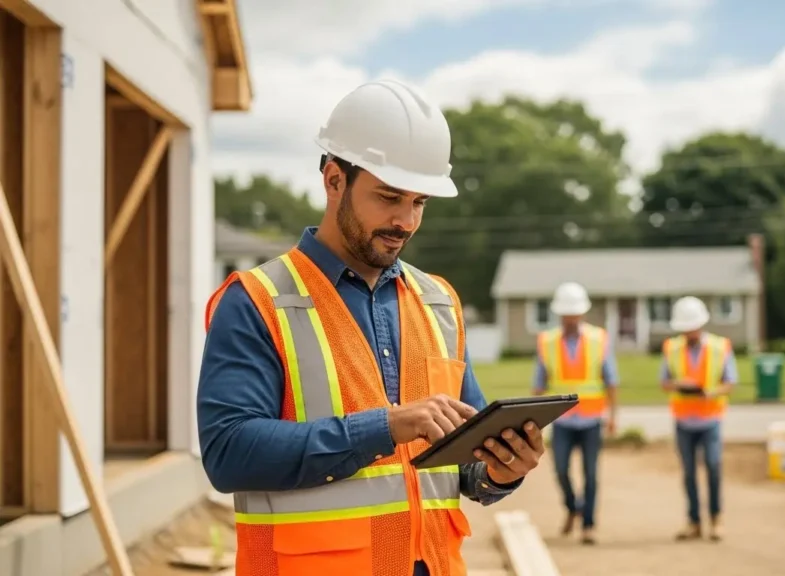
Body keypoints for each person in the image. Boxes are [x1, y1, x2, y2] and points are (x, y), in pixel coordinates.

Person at [197, 79, 546, 576]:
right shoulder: (258, 300)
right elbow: (228, 453)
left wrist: (498, 471)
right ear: (334, 179)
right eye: (389, 197)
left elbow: (461, 462)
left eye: (419, 203)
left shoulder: (438, 302)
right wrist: (385, 427)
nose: (405, 220)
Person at [533, 282, 618, 545]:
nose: (570, 318)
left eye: (574, 313)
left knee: (591, 475)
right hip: (563, 422)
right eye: (566, 314)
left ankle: (588, 525)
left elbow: (611, 381)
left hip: (592, 420)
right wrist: (532, 421)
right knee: (560, 470)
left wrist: (613, 417)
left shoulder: (599, 339)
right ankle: (573, 508)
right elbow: (539, 384)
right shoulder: (547, 342)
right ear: (560, 315)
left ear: (582, 313)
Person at [659, 296, 737, 542]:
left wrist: (711, 392)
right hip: (684, 421)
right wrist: (679, 385)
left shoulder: (720, 347)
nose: (688, 332)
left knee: (713, 467)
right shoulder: (671, 348)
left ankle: (716, 518)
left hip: (710, 419)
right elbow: (664, 382)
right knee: (689, 473)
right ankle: (694, 522)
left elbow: (730, 382)